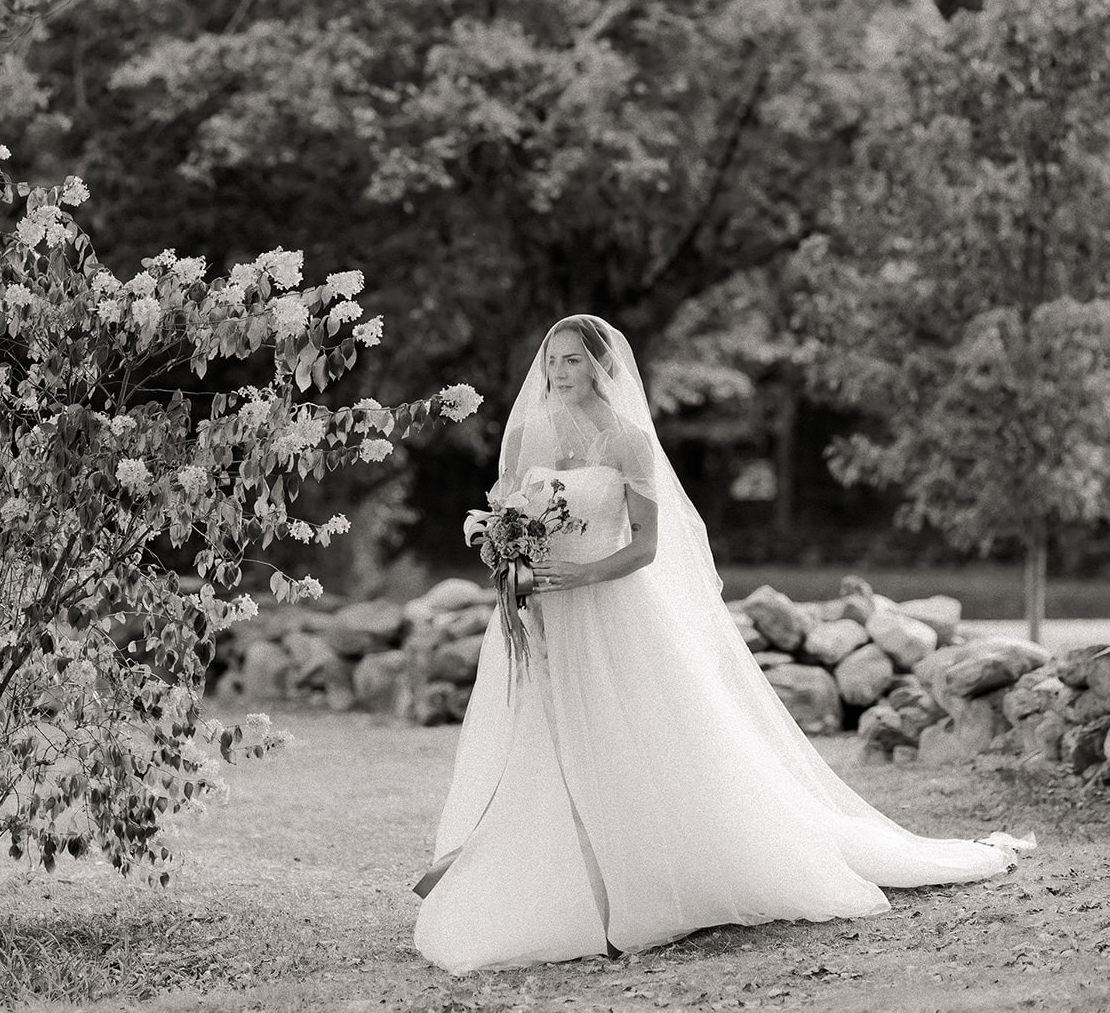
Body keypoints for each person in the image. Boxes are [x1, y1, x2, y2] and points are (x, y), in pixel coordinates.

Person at [413, 315, 1031, 974]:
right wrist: (511, 564)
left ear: (598, 367)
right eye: (551, 361)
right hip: (540, 611)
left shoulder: (627, 439)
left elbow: (646, 546)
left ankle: (645, 880)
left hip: (611, 606)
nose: (557, 373)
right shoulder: (531, 434)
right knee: (545, 739)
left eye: (570, 362)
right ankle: (554, 881)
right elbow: (509, 521)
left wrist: (582, 574)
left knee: (632, 737)